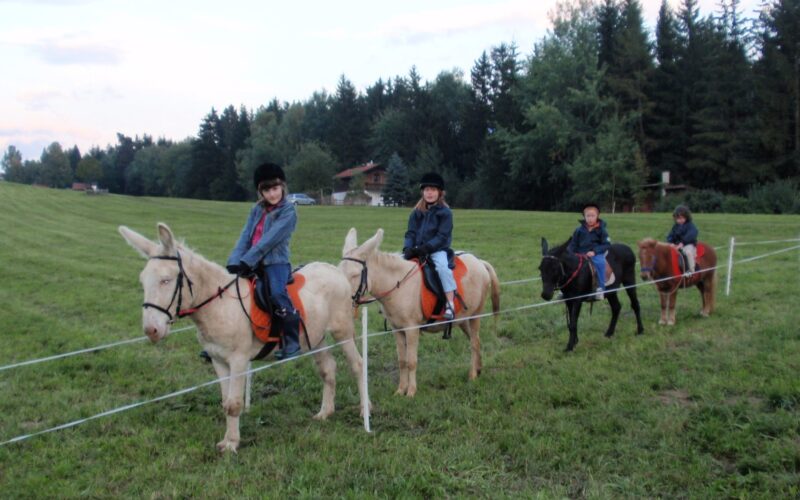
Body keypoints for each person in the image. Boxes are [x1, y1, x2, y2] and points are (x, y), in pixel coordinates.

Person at [226, 162, 300, 360]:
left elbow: (269, 241)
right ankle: (226, 340)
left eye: (275, 188)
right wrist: (235, 260)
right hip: (251, 261)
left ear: (282, 187)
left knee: (276, 293)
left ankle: (292, 339)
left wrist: (248, 260)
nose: (272, 194)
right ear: (261, 192)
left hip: (276, 263)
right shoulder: (257, 209)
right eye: (267, 190)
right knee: (231, 290)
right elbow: (245, 236)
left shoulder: (288, 212)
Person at [402, 172, 456, 320]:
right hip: (417, 250)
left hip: (437, 250)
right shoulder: (416, 213)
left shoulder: (445, 213)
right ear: (422, 192)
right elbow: (410, 233)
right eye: (426, 190)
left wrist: (426, 248)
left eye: (433, 190)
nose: (429, 193)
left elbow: (442, 236)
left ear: (440, 192)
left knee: (443, 268)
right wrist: (407, 248)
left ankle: (450, 303)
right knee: (397, 264)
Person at [567, 203, 611, 301]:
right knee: (568, 264)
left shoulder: (601, 230)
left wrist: (595, 251)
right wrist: (569, 252)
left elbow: (607, 244)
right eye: (588, 216)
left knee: (600, 262)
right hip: (580, 253)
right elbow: (573, 243)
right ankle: (565, 290)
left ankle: (600, 288)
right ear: (584, 216)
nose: (590, 218)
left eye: (592, 216)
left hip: (595, 254)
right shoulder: (579, 230)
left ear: (597, 216)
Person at [666, 204, 699, 277]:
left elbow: (692, 234)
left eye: (682, 218)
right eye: (678, 218)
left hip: (688, 244)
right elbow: (671, 235)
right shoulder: (675, 226)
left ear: (686, 217)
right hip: (677, 245)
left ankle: (691, 270)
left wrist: (682, 243)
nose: (680, 220)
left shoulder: (690, 225)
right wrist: (670, 242)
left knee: (688, 253)